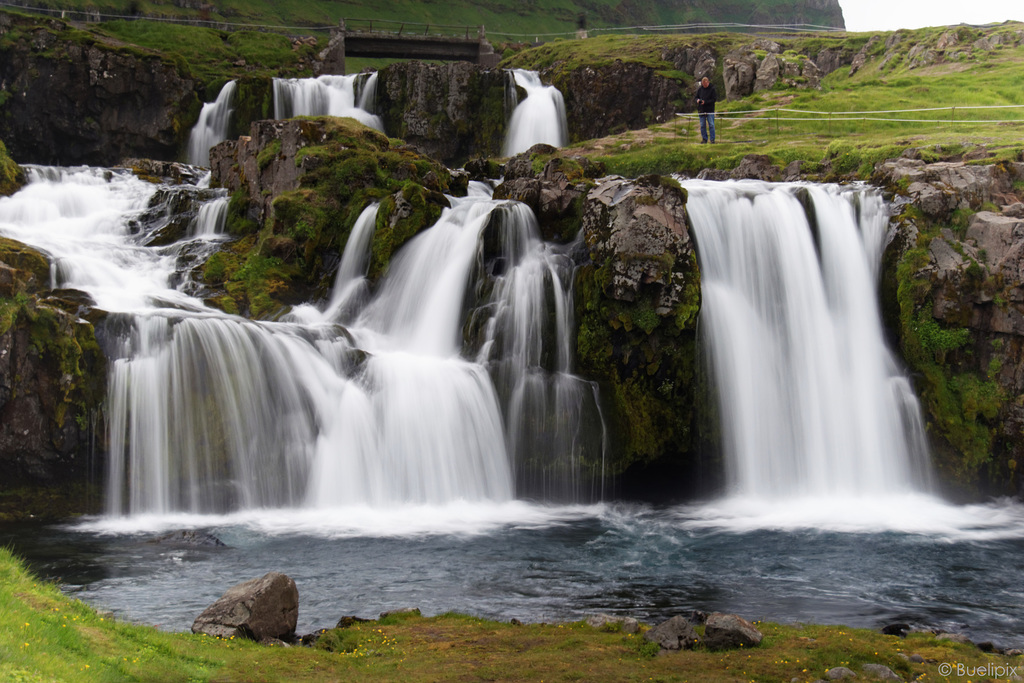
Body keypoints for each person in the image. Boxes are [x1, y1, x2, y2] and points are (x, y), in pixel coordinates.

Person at [695, 76, 717, 144]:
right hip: (701, 110)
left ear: (708, 82)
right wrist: (697, 100)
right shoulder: (700, 89)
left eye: (705, 84)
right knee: (702, 125)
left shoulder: (712, 89)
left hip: (710, 110)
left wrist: (706, 102)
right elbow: (696, 97)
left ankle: (712, 139)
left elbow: (714, 99)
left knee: (711, 125)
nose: (704, 85)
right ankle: (704, 139)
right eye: (703, 84)